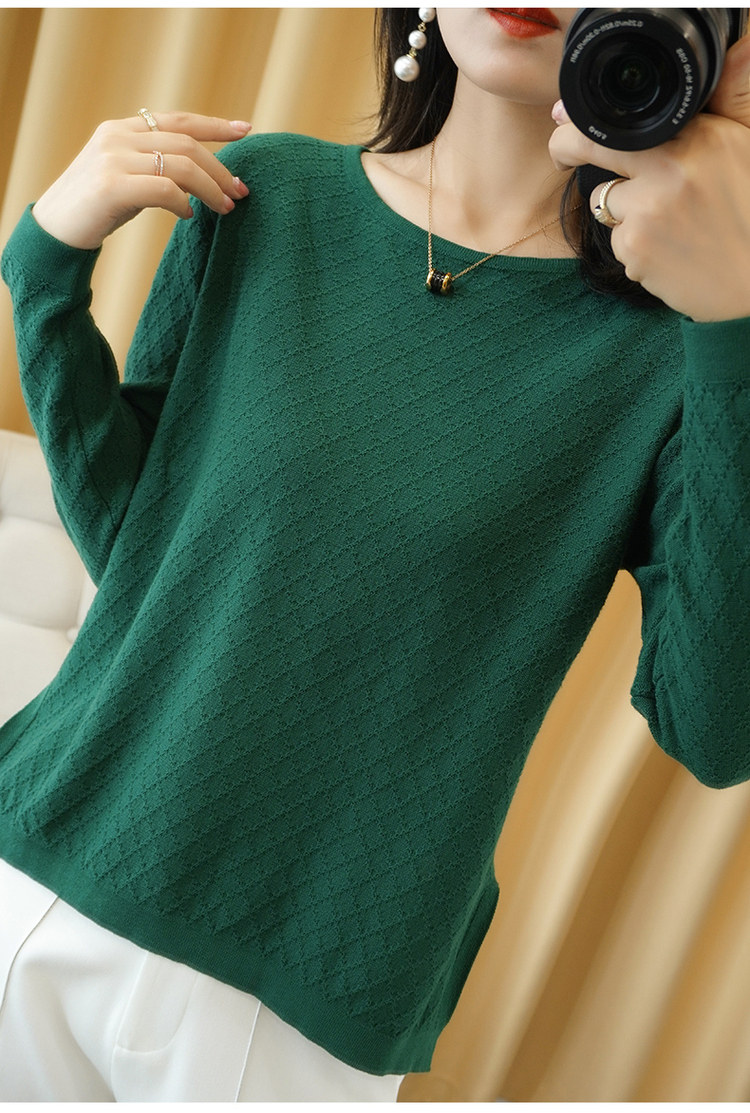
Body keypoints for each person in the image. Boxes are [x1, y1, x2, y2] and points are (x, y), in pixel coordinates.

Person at [1, 6, 750, 1102]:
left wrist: (734, 331)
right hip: (41, 865)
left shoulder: (682, 347)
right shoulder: (264, 196)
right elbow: (150, 563)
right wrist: (45, 270)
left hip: (301, 991)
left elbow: (718, 730)